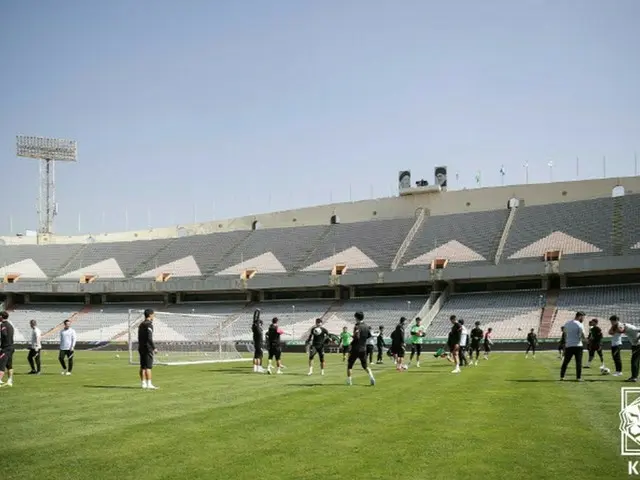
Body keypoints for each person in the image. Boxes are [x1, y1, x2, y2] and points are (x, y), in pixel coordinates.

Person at [346, 312, 375, 386]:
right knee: (365, 365)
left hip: (355, 348)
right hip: (363, 348)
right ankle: (371, 376)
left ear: (356, 318)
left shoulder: (357, 326)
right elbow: (369, 335)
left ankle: (349, 381)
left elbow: (356, 337)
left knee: (350, 365)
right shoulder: (366, 326)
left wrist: (351, 341)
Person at [560, 312, 586, 382]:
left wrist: (565, 343)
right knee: (578, 362)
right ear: (580, 316)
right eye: (583, 317)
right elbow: (582, 336)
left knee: (566, 361)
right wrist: (587, 340)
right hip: (578, 346)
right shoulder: (580, 324)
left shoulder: (567, 323)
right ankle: (578, 378)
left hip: (569, 345)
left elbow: (565, 334)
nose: (583, 319)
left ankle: (562, 376)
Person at [138, 309, 158, 389]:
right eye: (153, 314)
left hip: (141, 347)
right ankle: (149, 384)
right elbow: (149, 338)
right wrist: (154, 347)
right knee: (148, 367)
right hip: (147, 347)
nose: (154, 316)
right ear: (150, 315)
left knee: (142, 366)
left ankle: (143, 383)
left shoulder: (141, 324)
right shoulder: (149, 324)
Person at [0, 312, 15, 387]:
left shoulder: (3, 325)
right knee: (9, 365)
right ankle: (10, 381)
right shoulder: (10, 325)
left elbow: (4, 334)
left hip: (5, 348)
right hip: (11, 347)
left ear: (1, 316)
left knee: (1, 364)